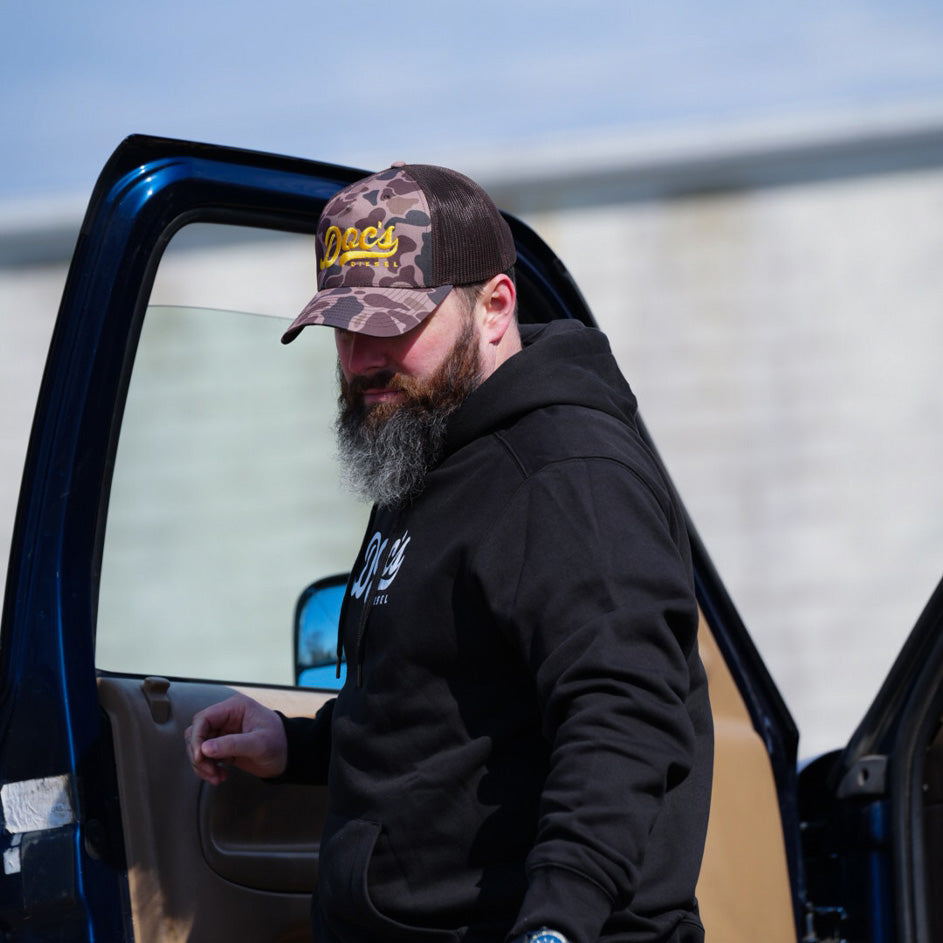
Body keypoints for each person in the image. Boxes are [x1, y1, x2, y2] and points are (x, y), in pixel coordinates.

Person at [186, 162, 713, 943]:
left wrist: (554, 926)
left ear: (493, 307)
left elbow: (622, 720)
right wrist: (295, 746)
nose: (362, 355)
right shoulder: (428, 449)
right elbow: (442, 716)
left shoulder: (564, 475)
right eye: (343, 326)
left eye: (391, 323)